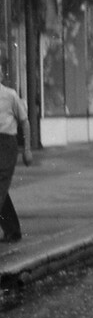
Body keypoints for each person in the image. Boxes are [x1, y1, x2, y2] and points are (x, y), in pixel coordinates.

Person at [0, 77, 31, 243]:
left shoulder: (10, 95)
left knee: (1, 183)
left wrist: (27, 149)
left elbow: (25, 123)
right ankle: (12, 229)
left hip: (6, 145)